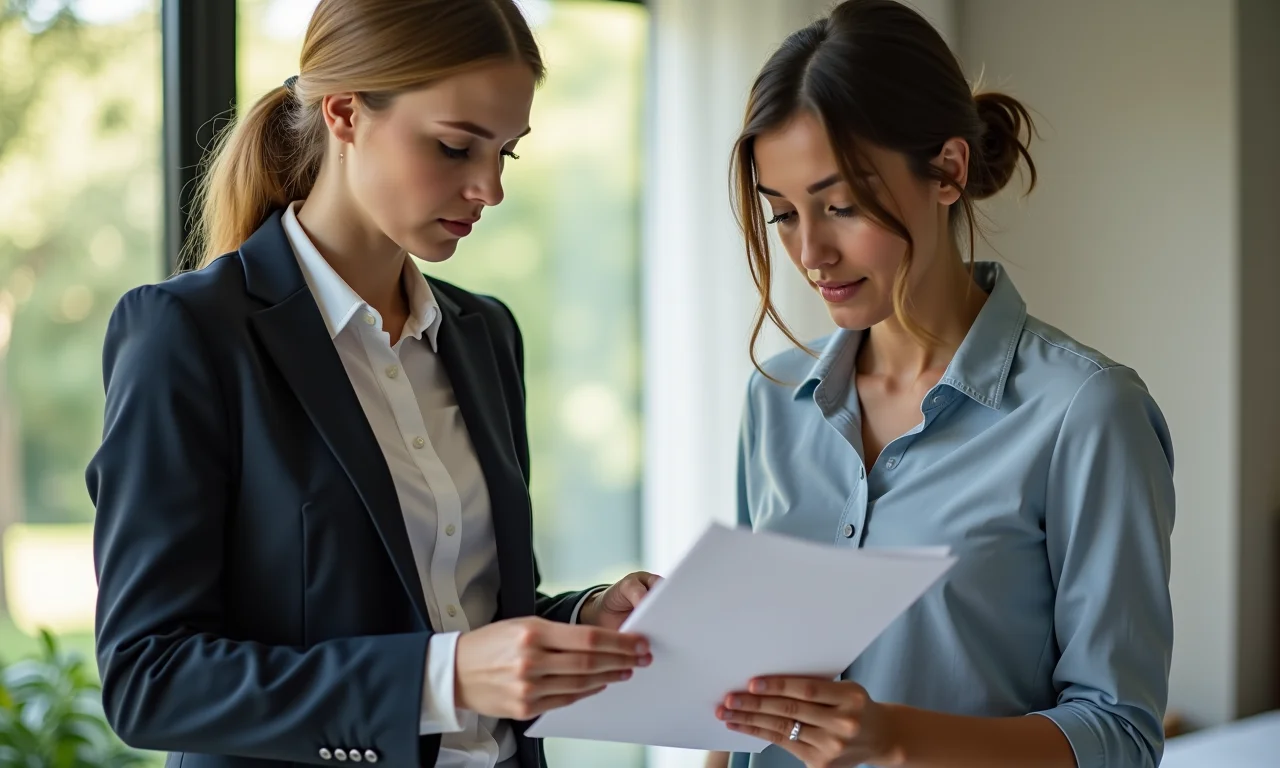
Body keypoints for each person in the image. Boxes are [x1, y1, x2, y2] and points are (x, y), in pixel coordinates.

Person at [87, 2, 657, 767]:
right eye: (456, 148)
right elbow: (150, 680)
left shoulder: (484, 335)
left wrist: (583, 620)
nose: (489, 189)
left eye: (506, 154)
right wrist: (443, 678)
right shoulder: (187, 335)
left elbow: (454, 609)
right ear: (346, 113)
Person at [707, 1, 1175, 767]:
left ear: (949, 170)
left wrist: (892, 738)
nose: (811, 251)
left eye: (842, 206)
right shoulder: (774, 398)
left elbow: (1119, 735)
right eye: (784, 214)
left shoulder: (1086, 412)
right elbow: (743, 688)